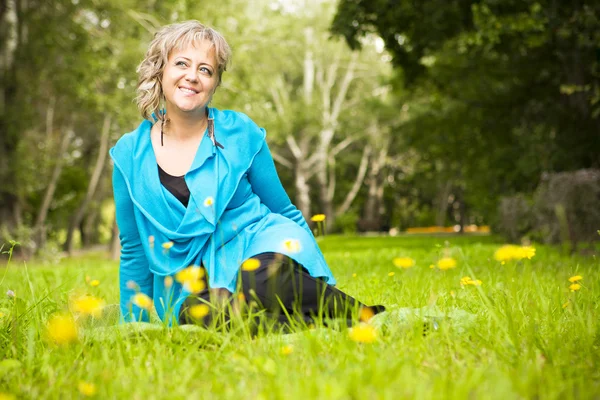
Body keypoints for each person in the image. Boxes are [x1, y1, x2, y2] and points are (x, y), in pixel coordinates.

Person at [110, 20, 383, 329]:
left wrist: (316, 273)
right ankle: (315, 325)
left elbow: (283, 210)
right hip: (186, 279)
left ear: (214, 83)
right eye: (182, 64)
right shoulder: (128, 155)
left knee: (258, 283)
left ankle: (363, 316)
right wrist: (136, 325)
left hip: (256, 243)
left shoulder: (240, 132)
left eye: (205, 69)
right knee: (205, 313)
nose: (192, 76)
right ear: (161, 70)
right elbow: (133, 246)